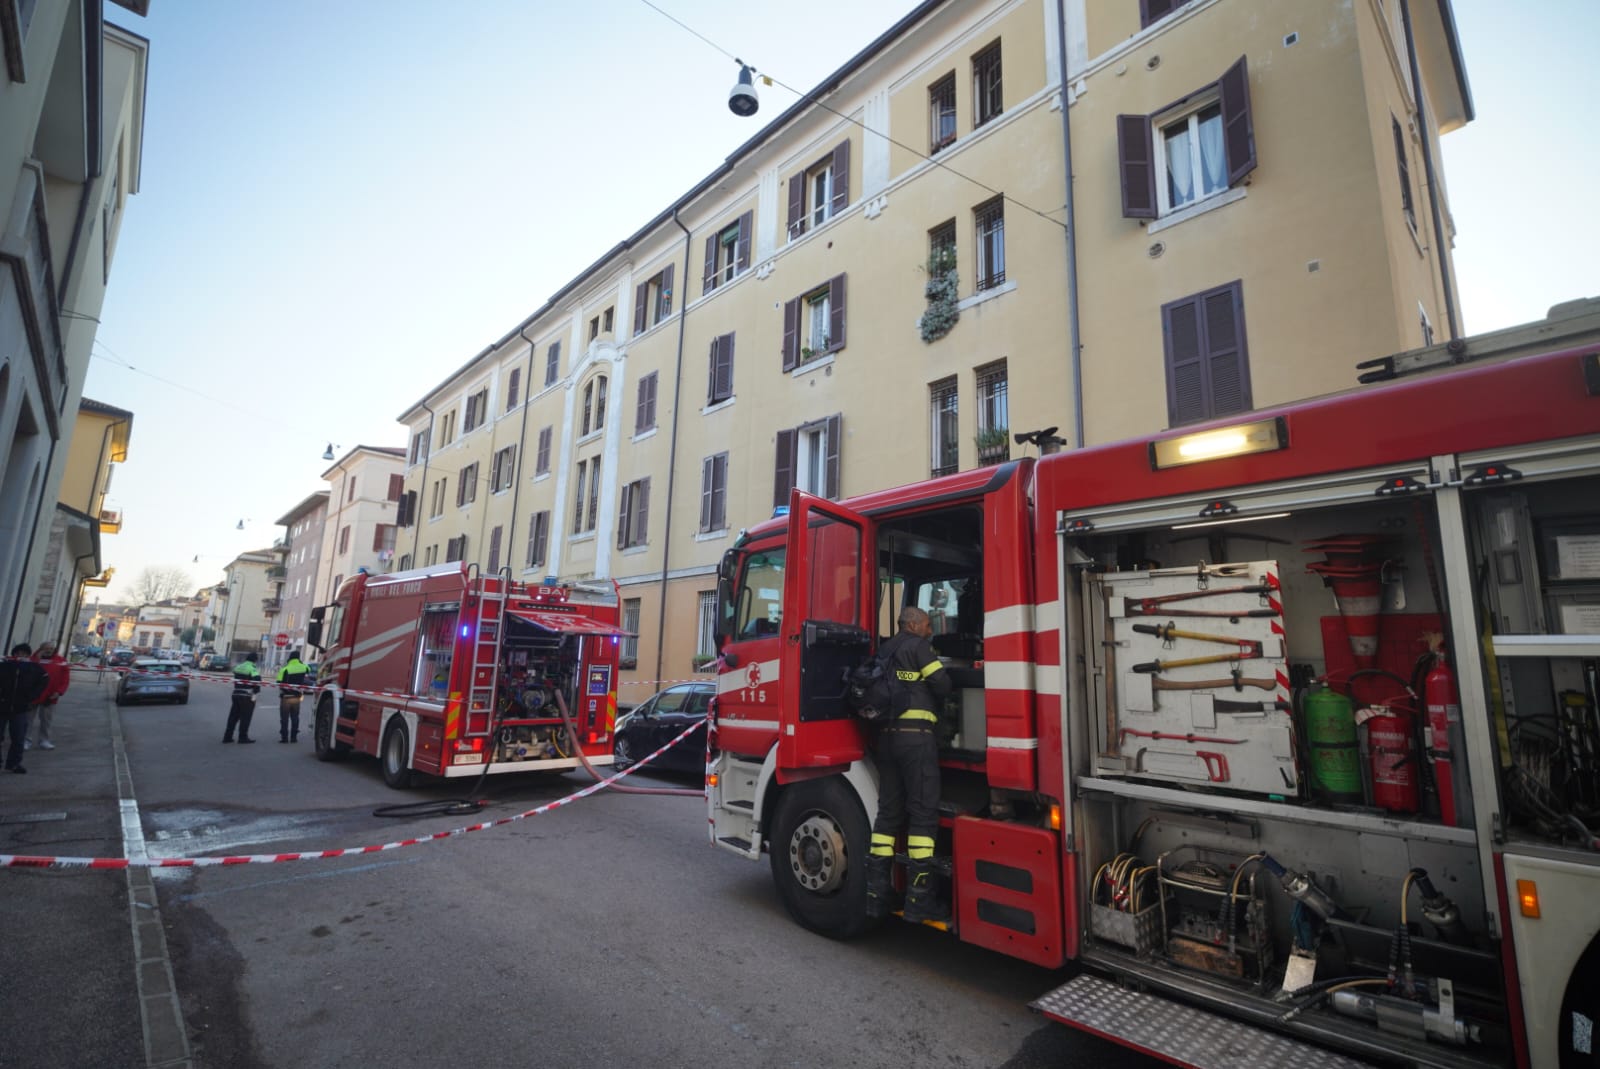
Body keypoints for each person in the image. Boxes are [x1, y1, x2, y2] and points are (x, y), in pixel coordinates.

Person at [866, 606, 953, 923]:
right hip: (916, 741)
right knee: (923, 815)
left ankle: (876, 896)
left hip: (886, 741)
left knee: (888, 815)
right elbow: (942, 685)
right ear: (914, 625)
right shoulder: (918, 647)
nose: (930, 630)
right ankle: (919, 902)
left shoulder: (885, 649)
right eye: (928, 625)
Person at [0, 643, 50, 773]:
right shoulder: (5, 666)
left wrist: (32, 697)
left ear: (28, 655)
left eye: (24, 654)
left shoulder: (33, 668)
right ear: (14, 654)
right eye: (18, 653)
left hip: (20, 708)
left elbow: (44, 679)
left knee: (18, 738)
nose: (20, 656)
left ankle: (14, 763)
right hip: (2, 706)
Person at [28, 643, 71, 750]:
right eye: (46, 648)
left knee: (46, 720)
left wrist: (59, 692)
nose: (49, 650)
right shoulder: (33, 659)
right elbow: (28, 672)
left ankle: (44, 740)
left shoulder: (61, 661)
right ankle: (26, 740)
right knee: (28, 720)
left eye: (51, 648)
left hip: (50, 695)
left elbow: (65, 679)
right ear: (41, 649)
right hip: (33, 695)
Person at [223, 654, 261, 744]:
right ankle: (242, 737)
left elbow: (235, 673)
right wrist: (256, 692)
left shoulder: (238, 666)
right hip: (247, 695)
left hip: (236, 693)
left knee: (233, 716)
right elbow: (257, 680)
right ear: (255, 660)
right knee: (245, 717)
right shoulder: (252, 668)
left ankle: (227, 737)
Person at [275, 649, 311, 743]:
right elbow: (309, 670)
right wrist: (300, 662)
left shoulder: (285, 669)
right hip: (296, 697)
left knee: (284, 718)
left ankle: (284, 738)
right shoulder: (304, 667)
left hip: (285, 697)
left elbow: (279, 682)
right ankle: (294, 737)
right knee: (295, 717)